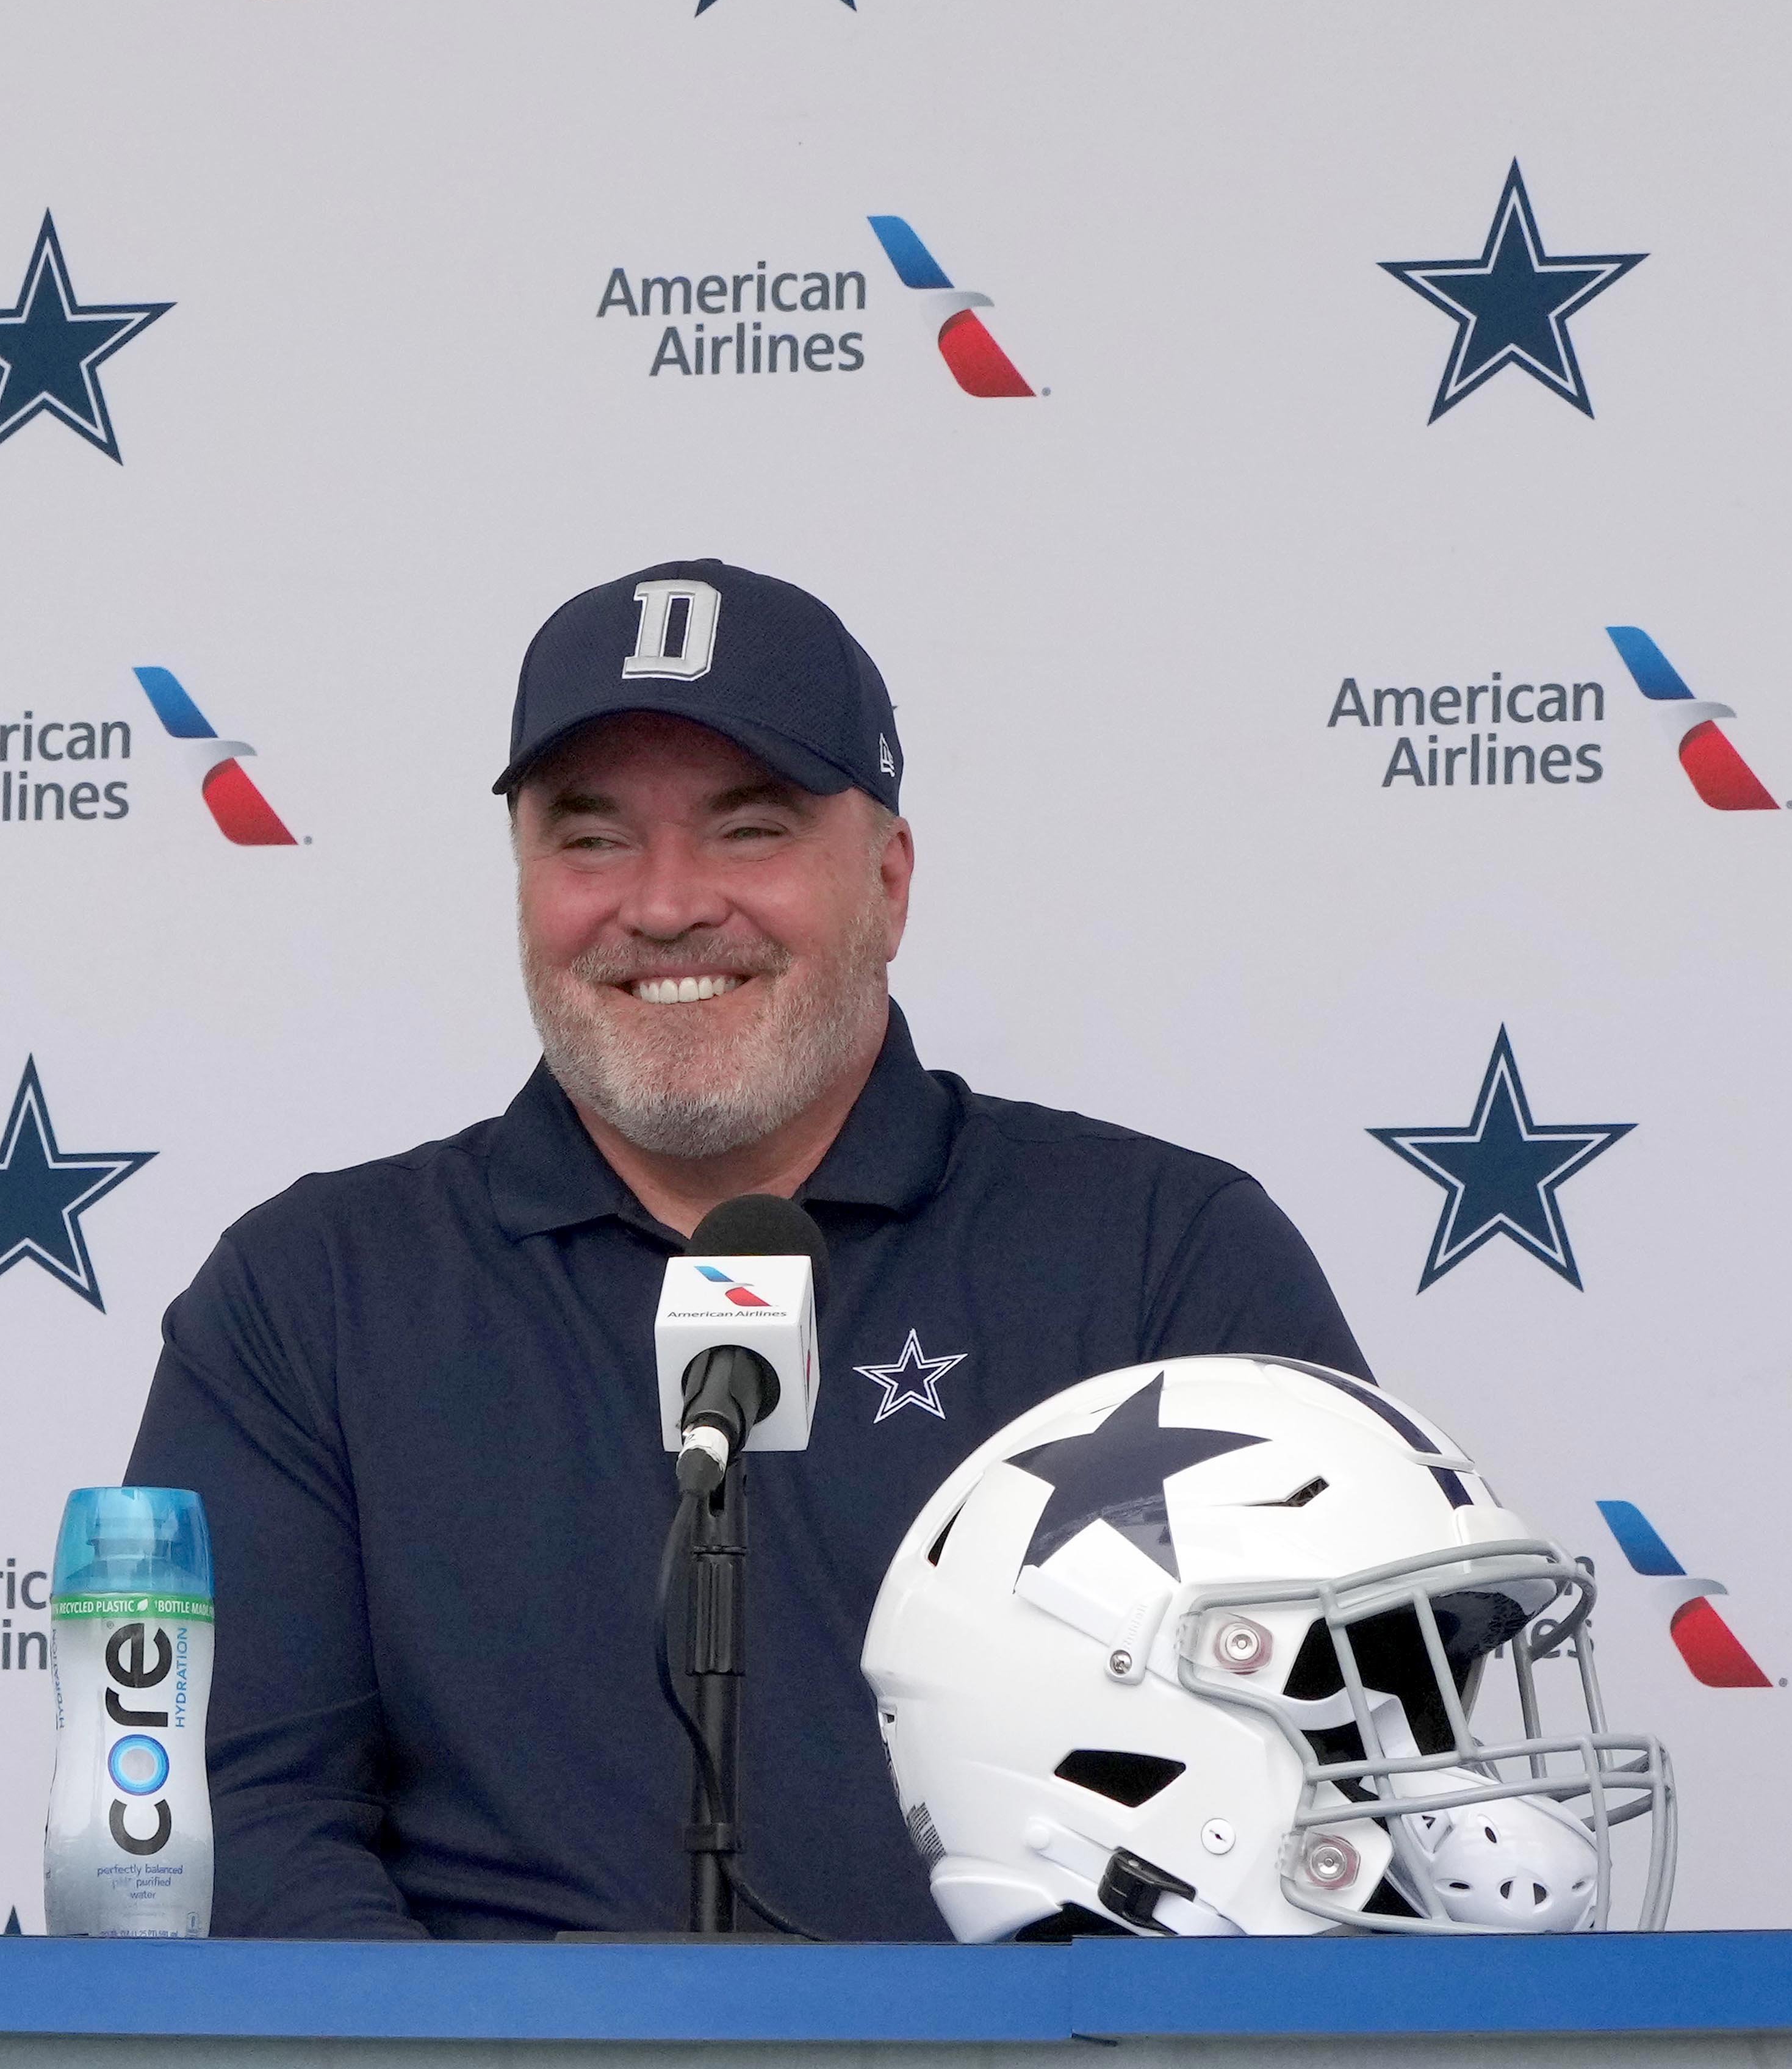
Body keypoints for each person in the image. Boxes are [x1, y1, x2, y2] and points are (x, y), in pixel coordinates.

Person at [123, 558, 1371, 1939]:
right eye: (590, 840)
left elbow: (1323, 1788)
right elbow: (236, 1817)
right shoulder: (313, 1297)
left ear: (889, 884)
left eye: (748, 831)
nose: (663, 906)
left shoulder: (1158, 1258)